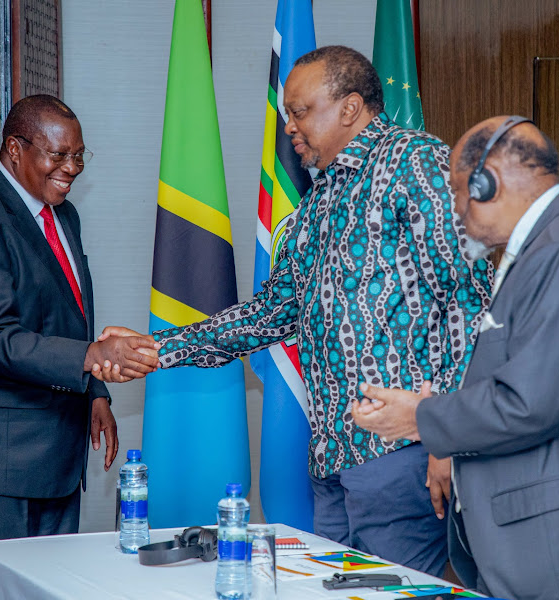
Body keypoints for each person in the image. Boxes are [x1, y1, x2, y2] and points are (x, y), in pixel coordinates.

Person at [98, 46, 492, 575]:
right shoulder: (318, 200)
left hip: (400, 457)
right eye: (287, 114)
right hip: (331, 462)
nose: (289, 127)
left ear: (350, 108)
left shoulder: (414, 164)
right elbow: (271, 313)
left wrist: (447, 429)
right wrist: (155, 349)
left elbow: (471, 298)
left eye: (300, 111)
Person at [352, 116, 559, 600]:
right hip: (545, 544)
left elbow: (528, 405)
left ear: (487, 180)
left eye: (457, 193)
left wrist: (420, 418)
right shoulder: (550, 244)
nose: (455, 211)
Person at [0, 95, 159, 599]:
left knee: (49, 590)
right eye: (57, 155)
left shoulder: (60, 215)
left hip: (54, 453)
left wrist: (94, 392)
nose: (70, 169)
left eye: (79, 156)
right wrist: (87, 359)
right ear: (13, 149)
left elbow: (66, 315)